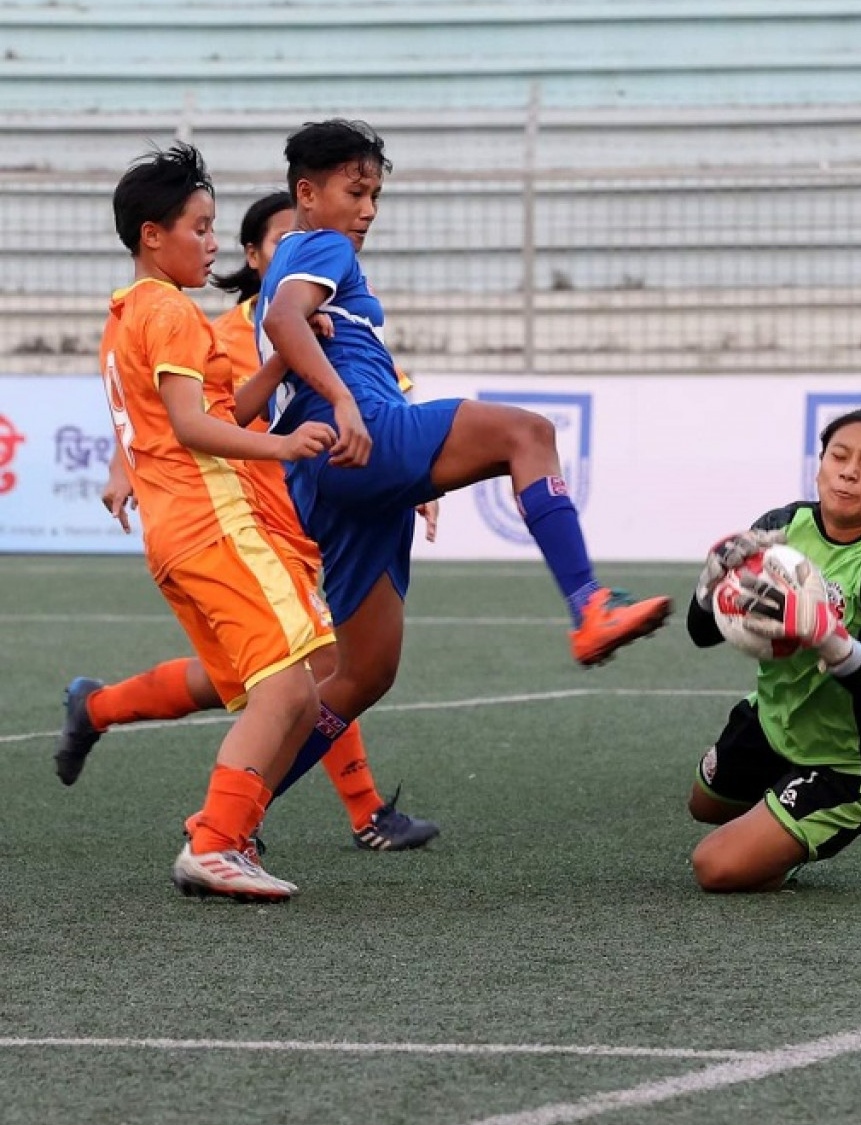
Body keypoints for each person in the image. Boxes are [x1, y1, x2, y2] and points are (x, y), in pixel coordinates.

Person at [254, 118, 674, 796]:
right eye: (355, 191)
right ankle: (588, 604)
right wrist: (349, 403)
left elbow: (274, 348)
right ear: (306, 191)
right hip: (362, 434)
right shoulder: (322, 246)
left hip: (328, 477)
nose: (367, 210)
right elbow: (285, 323)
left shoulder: (289, 262)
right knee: (528, 434)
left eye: (376, 197)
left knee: (365, 673)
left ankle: (231, 818)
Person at [56, 191, 439, 852]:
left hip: (297, 525)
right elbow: (182, 412)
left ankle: (97, 707)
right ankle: (331, 816)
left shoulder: (321, 320)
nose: (297, 250)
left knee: (232, 678)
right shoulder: (214, 323)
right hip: (244, 523)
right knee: (315, 668)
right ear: (256, 254)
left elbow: (377, 401)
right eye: (282, 240)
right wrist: (126, 461)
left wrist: (410, 474)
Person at [95, 141, 343, 902]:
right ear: (152, 235)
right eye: (199, 228)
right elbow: (193, 428)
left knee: (297, 688)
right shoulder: (170, 311)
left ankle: (224, 836)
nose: (212, 243)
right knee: (288, 691)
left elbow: (208, 410)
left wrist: (276, 367)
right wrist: (284, 440)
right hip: (214, 522)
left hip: (173, 534)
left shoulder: (127, 313)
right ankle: (212, 841)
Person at [685, 406, 861, 893]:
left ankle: (791, 833)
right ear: (820, 463)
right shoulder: (781, 527)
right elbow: (703, 632)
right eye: (839, 456)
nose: (850, 471)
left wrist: (824, 633)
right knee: (704, 804)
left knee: (715, 868)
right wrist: (707, 589)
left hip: (850, 759)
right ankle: (779, 806)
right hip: (775, 720)